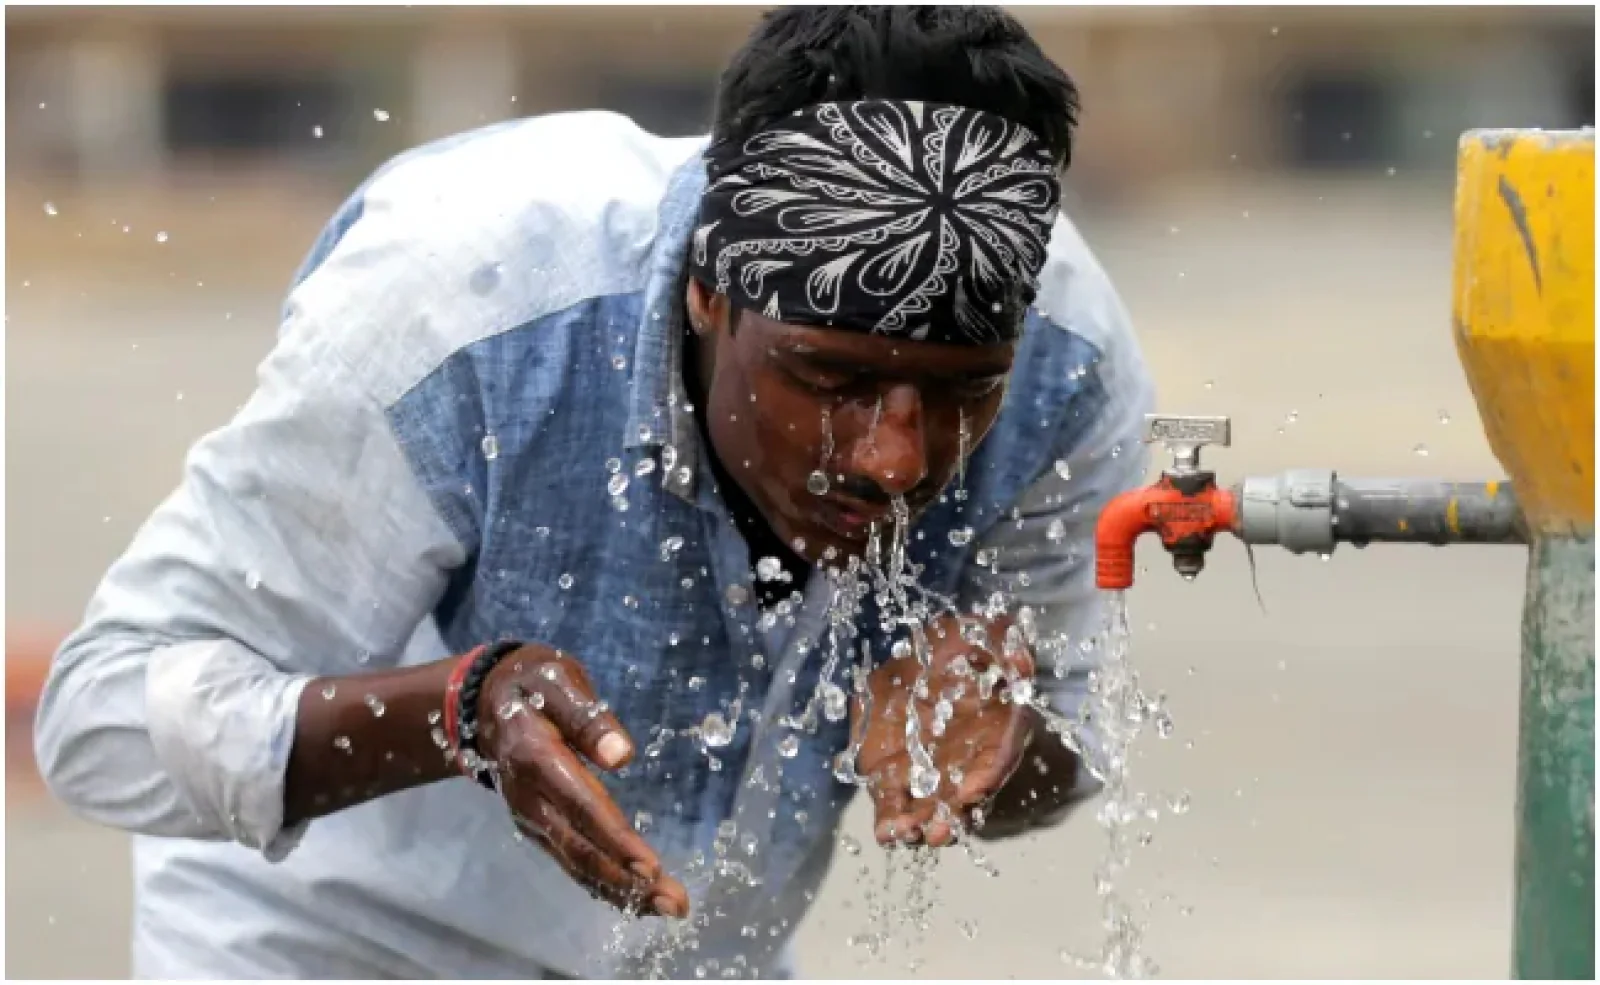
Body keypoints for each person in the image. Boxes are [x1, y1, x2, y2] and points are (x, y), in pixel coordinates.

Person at [35, 5, 1154, 979]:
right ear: (710, 292)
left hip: (706, 956)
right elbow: (102, 718)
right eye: (829, 377)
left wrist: (998, 743)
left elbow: (1067, 750)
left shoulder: (1066, 363)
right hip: (333, 940)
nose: (893, 461)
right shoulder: (467, 310)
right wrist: (458, 711)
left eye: (960, 395)